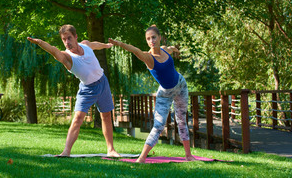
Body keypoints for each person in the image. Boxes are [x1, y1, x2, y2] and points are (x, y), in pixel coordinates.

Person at [27, 24, 120, 157]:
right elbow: (53, 50)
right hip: (87, 89)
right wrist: (40, 42)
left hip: (103, 82)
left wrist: (106, 45)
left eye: (69, 38)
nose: (67, 42)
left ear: (76, 37)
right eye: (64, 40)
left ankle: (111, 150)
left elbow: (94, 44)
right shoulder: (67, 57)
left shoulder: (85, 45)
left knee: (106, 116)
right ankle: (66, 151)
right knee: (77, 119)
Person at [109, 25, 195, 162]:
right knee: (158, 126)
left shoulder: (164, 50)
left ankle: (189, 155)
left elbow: (171, 48)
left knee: (181, 120)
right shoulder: (148, 58)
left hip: (181, 86)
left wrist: (176, 49)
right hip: (165, 93)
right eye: (148, 39)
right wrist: (119, 44)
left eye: (154, 37)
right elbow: (136, 51)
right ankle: (142, 158)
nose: (151, 41)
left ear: (160, 38)